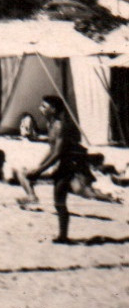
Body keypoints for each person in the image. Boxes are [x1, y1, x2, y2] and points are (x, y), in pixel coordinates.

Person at [17, 94, 93, 243]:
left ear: (53, 109)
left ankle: (63, 236)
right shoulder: (50, 125)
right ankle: (62, 236)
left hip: (69, 167)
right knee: (59, 202)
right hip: (61, 166)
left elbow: (58, 153)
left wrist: (39, 171)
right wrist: (39, 166)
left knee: (61, 201)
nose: (40, 108)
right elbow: (51, 150)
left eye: (44, 106)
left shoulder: (60, 126)